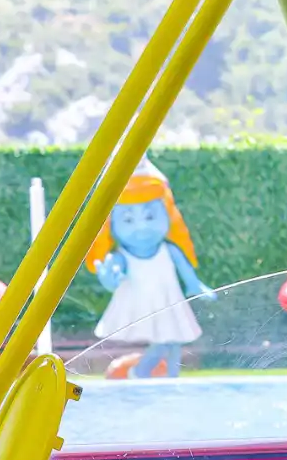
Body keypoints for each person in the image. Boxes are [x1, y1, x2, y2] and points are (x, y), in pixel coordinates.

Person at [89, 159, 213, 377]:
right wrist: (110, 278)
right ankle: (140, 371)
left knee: (173, 340)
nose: (142, 227)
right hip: (141, 305)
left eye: (150, 216)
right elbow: (113, 273)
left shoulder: (169, 250)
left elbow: (185, 270)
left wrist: (195, 286)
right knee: (167, 340)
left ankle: (170, 376)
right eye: (128, 219)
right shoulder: (123, 256)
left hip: (168, 301)